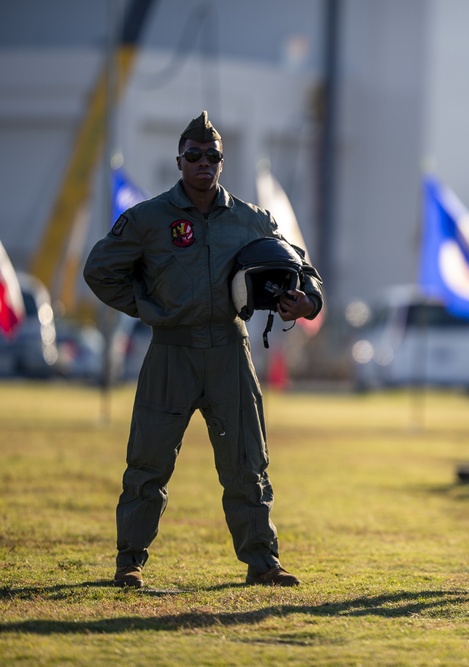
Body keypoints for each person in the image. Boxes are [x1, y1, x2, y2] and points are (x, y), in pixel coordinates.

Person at [84, 112, 324, 589]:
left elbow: (304, 271)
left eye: (212, 156)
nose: (203, 164)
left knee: (246, 465)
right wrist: (150, 308)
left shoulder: (251, 219)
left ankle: (263, 562)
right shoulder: (148, 218)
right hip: (171, 352)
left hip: (230, 355)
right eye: (194, 156)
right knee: (147, 463)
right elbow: (99, 270)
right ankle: (129, 561)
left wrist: (305, 301)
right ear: (179, 161)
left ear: (221, 162)